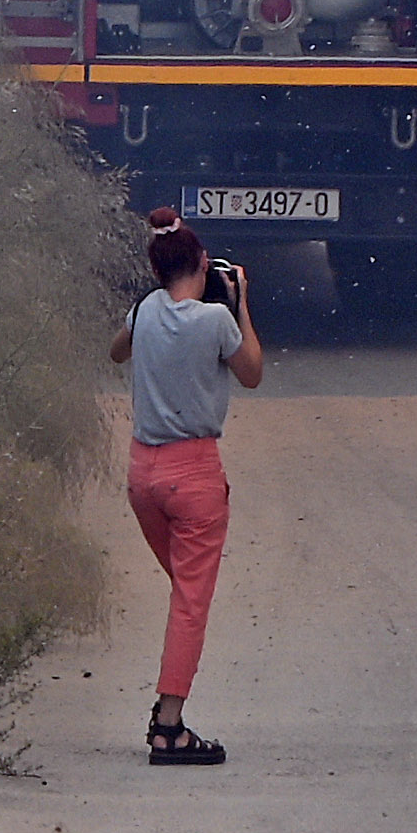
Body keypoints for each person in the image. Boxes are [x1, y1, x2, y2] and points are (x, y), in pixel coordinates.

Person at [104, 211, 266, 763]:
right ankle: (168, 727)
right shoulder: (215, 321)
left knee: (185, 593)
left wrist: (151, 310)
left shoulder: (145, 309)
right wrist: (240, 301)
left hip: (142, 475)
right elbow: (252, 372)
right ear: (202, 263)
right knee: (191, 604)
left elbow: (116, 350)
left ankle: (168, 716)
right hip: (193, 474)